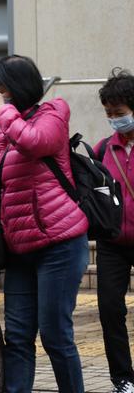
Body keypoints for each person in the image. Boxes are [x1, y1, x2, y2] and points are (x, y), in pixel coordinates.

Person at [0, 55, 89, 393]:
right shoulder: (1, 132)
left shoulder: (54, 113)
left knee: (55, 335)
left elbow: (35, 143)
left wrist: (0, 110)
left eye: (0, 87)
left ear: (16, 87)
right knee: (19, 337)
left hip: (60, 245)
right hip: (19, 248)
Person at [94, 69, 134, 393]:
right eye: (109, 113)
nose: (113, 119)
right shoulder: (103, 148)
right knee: (110, 309)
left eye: (119, 113)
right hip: (112, 243)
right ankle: (123, 379)